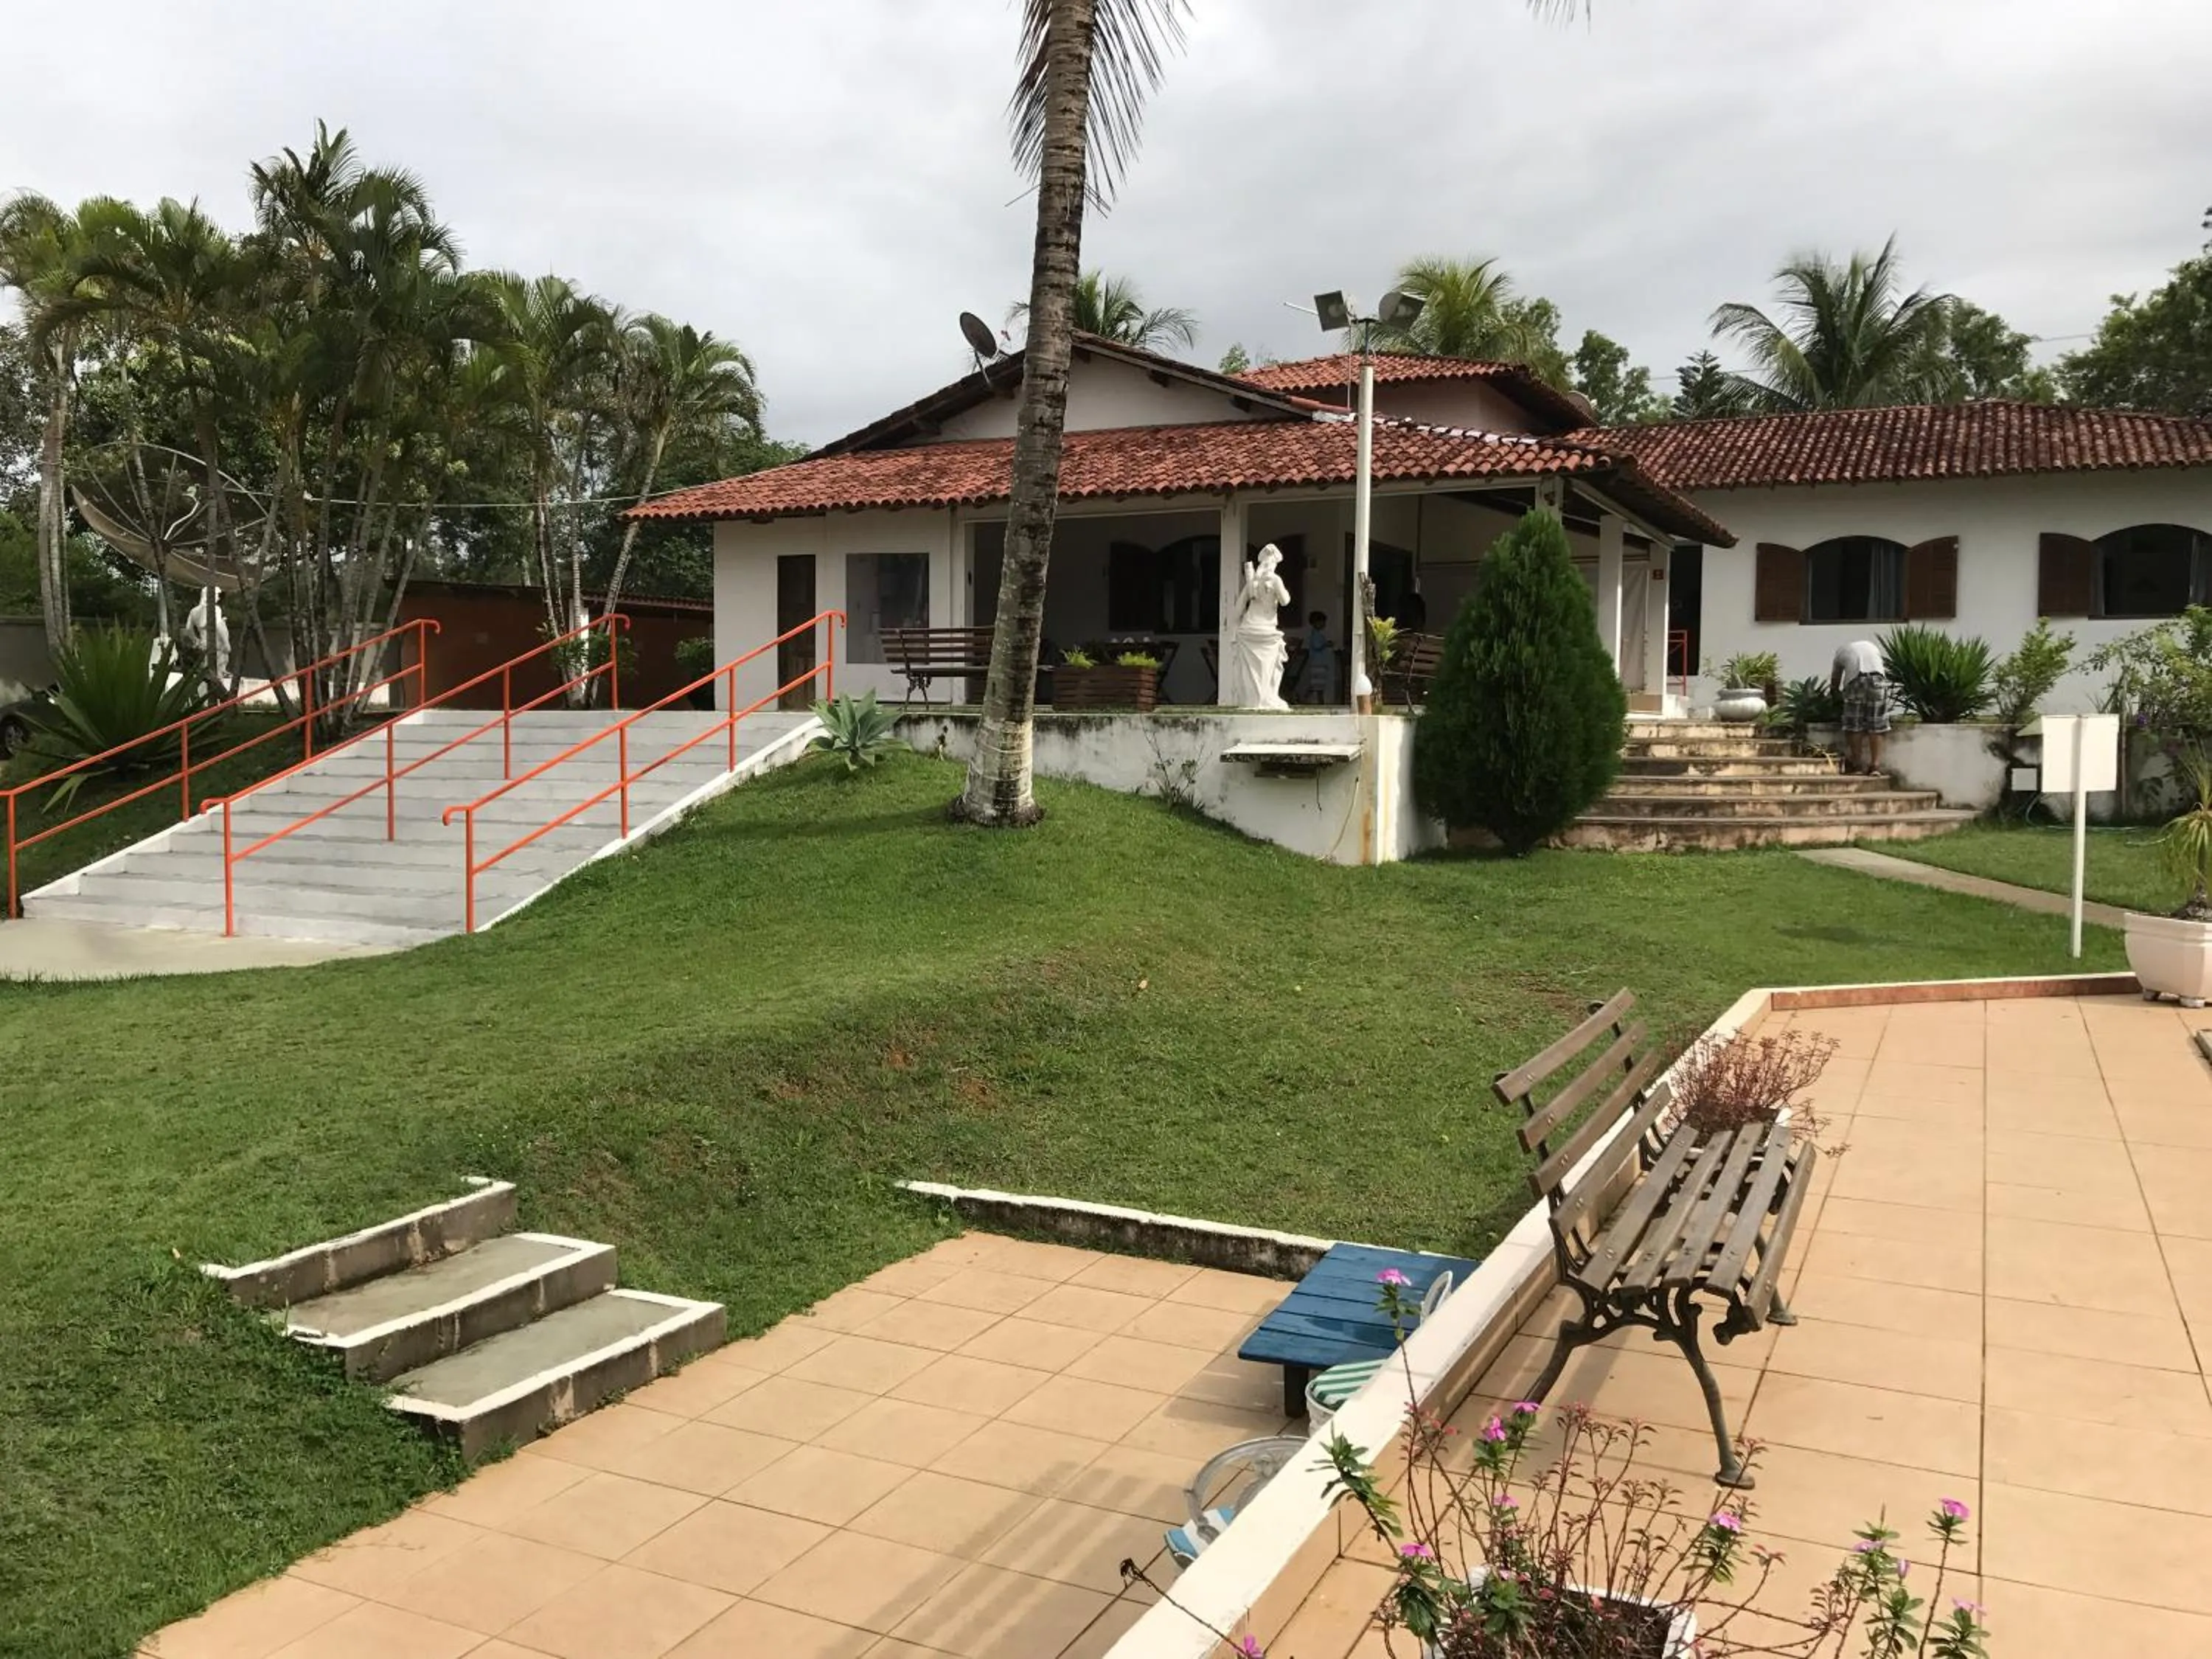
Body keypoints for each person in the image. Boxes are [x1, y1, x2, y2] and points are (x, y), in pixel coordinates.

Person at [1220, 545, 1291, 709]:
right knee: (1268, 667)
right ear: (1274, 563)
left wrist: (1234, 628)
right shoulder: (1275, 580)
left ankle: (1252, 699)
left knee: (1249, 669)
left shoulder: (1252, 583)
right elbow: (1285, 601)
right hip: (1266, 631)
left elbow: (1238, 609)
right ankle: (1266, 697)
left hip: (1249, 630)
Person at [1829, 638, 1889, 775]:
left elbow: (1835, 680)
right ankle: (1875, 766)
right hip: (1878, 681)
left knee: (1854, 724)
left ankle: (1857, 765)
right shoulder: (1871, 646)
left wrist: (1834, 693)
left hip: (1856, 681)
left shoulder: (1840, 654)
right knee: (1877, 725)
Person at [1298, 611, 1336, 704]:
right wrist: (1326, 644)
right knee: (1317, 685)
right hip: (1317, 663)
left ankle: (1304, 697)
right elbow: (1317, 646)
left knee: (1317, 684)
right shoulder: (1315, 635)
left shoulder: (1319, 634)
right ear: (1315, 623)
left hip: (1320, 663)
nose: (1323, 624)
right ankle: (1318, 701)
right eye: (1321, 622)